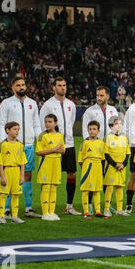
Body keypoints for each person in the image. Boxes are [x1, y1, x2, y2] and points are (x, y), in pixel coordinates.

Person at [0, 77, 42, 218]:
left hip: (28, 145)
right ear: (13, 87)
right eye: (18, 85)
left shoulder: (32, 103)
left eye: (23, 84)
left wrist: (38, 140)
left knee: (27, 176)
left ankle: (28, 208)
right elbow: (1, 123)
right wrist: (3, 142)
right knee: (9, 176)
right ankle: (6, 208)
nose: (21, 87)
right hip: (11, 146)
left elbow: (36, 124)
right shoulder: (7, 103)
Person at [40, 77, 81, 215]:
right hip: (53, 146)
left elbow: (71, 121)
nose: (62, 87)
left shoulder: (71, 104)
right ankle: (47, 207)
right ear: (54, 87)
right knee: (50, 176)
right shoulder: (48, 105)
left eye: (64, 85)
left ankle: (69, 206)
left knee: (72, 174)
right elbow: (42, 125)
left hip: (68, 145)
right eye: (59, 85)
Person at [0, 122, 27, 224]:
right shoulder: (3, 145)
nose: (17, 131)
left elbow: (22, 162)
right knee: (3, 194)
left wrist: (22, 175)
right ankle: (1, 216)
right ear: (7, 130)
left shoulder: (20, 145)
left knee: (16, 195)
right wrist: (3, 176)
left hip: (16, 172)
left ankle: (15, 216)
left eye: (18, 129)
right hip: (6, 171)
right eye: (14, 129)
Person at [36, 114, 65, 221]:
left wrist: (58, 150)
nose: (47, 124)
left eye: (50, 122)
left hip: (56, 163)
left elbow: (63, 150)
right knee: (46, 187)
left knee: (54, 188)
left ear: (55, 123)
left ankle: (52, 212)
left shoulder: (60, 135)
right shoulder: (42, 135)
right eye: (46, 121)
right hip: (45, 164)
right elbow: (38, 152)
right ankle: (45, 213)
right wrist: (54, 149)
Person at [103, 116, 130, 217]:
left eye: (120, 123)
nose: (119, 125)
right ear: (111, 126)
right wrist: (115, 164)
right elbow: (106, 154)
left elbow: (128, 153)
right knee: (109, 187)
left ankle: (119, 209)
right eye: (116, 124)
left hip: (122, 167)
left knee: (120, 187)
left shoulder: (124, 137)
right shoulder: (108, 137)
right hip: (111, 166)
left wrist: (123, 164)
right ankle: (106, 209)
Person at [78, 120, 106, 219]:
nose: (92, 131)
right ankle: (86, 211)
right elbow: (80, 160)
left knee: (97, 190)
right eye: (90, 129)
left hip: (98, 166)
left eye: (94, 129)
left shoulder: (102, 143)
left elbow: (103, 158)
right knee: (86, 190)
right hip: (88, 166)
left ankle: (98, 211)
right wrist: (85, 169)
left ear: (98, 131)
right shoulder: (84, 143)